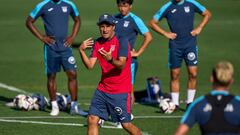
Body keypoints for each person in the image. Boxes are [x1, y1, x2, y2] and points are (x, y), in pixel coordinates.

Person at [79, 13, 142, 135]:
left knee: (126, 124)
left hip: (120, 91)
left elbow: (122, 64)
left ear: (114, 26)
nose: (104, 29)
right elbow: (90, 65)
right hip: (102, 90)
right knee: (92, 119)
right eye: (102, 26)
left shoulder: (122, 41)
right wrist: (81, 51)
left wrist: (110, 59)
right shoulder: (98, 43)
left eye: (108, 26)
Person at [26, 0, 87, 116]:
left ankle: (74, 107)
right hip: (51, 48)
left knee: (73, 74)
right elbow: (29, 22)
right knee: (51, 76)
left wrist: (72, 37)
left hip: (65, 47)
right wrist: (42, 37)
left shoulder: (69, 4)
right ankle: (54, 106)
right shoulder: (42, 5)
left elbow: (77, 20)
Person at [149, 0, 211, 108]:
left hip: (190, 44)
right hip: (175, 46)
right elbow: (152, 22)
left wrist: (199, 27)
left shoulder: (191, 3)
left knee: (193, 73)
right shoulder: (167, 6)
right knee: (175, 74)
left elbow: (207, 14)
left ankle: (190, 102)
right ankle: (175, 104)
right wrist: (165, 33)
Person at [175, 61, 240, 135]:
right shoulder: (238, 103)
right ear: (231, 81)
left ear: (212, 79)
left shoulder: (199, 104)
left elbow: (179, 133)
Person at [114, 0, 152, 105]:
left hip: (129, 61)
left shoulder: (135, 20)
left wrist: (138, 52)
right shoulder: (114, 18)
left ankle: (127, 117)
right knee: (115, 88)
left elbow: (148, 37)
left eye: (125, 6)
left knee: (128, 89)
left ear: (130, 6)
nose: (122, 8)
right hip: (115, 60)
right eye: (120, 5)